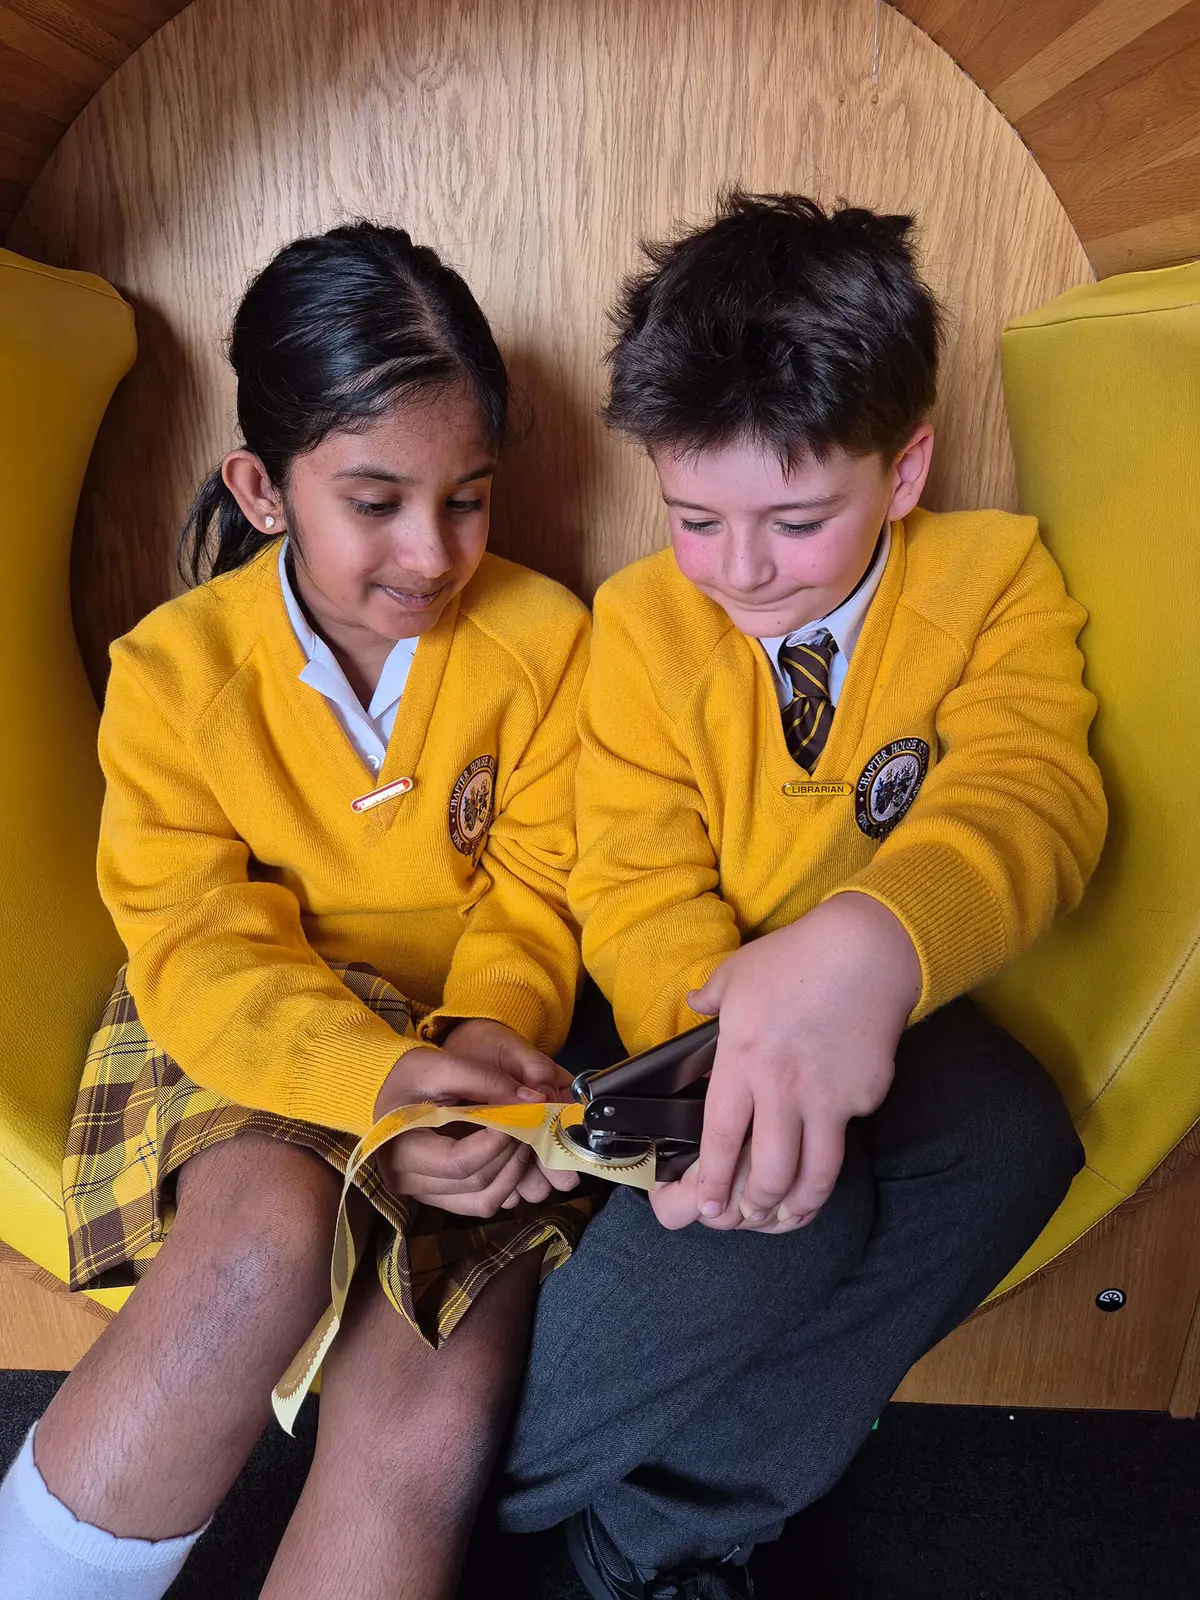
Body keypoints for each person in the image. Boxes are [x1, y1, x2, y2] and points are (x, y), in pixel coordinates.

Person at [497, 193, 1105, 1598]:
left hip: (888, 996)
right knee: (779, 1212)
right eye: (697, 518)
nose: (742, 571)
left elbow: (1033, 795)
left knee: (1013, 1140)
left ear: (904, 473)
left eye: (797, 518)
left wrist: (874, 942)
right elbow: (635, 880)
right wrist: (737, 1047)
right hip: (684, 1011)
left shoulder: (995, 578)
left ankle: (655, 1534)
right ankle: (489, 1485)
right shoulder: (646, 624)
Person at [0, 221, 592, 1600]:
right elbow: (202, 944)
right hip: (257, 1026)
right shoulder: (174, 672)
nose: (432, 551)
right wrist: (382, 1078)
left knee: (435, 1398)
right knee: (261, 1244)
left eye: (468, 498)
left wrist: (475, 1088)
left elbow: (538, 908)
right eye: (374, 501)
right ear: (262, 489)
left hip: (477, 1050)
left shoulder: (550, 642)